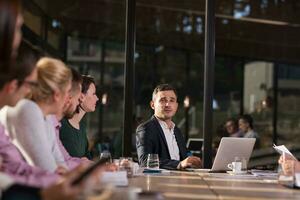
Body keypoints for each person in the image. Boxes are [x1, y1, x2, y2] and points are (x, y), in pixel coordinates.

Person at [1, 57, 72, 173]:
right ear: (57, 95)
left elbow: (60, 164)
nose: (69, 97)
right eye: (68, 91)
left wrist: (62, 173)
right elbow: (48, 170)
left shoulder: (46, 115)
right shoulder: (27, 109)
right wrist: (60, 174)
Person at [136, 84, 201, 169]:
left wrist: (193, 160)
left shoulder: (177, 130)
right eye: (163, 100)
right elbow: (144, 161)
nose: (168, 104)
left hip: (182, 179)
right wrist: (179, 164)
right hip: (160, 181)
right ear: (152, 105)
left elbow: (185, 155)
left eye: (172, 100)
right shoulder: (145, 129)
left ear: (176, 106)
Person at [47, 68, 91, 170]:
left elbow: (64, 160)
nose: (78, 102)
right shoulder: (45, 121)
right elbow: (50, 167)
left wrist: (86, 164)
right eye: (78, 98)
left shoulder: (53, 124)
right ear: (68, 98)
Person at [60, 75, 99, 158]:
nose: (97, 98)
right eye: (93, 94)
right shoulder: (61, 125)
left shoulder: (81, 125)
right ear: (81, 96)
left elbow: (87, 155)